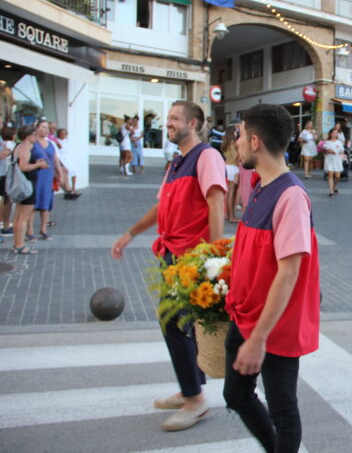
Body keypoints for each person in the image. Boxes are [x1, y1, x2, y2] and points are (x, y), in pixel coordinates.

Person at [111, 100, 226, 432]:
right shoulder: (177, 162)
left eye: (175, 118)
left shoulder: (207, 156)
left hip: (191, 258)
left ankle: (194, 401)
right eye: (169, 118)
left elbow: (216, 201)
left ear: (193, 123)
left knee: (173, 324)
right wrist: (130, 233)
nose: (169, 123)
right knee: (182, 326)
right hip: (171, 255)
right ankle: (191, 387)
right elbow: (161, 207)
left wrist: (214, 256)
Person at [224, 104, 320, 451]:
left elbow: (289, 272)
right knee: (235, 395)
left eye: (237, 136)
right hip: (245, 315)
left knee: (283, 408)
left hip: (273, 326)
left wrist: (258, 339)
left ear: (254, 141)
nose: (234, 144)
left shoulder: (291, 196)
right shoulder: (260, 185)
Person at [10, 125, 48, 255]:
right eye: (33, 135)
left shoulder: (18, 146)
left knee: (19, 215)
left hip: (21, 184)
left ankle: (17, 244)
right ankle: (20, 245)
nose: (35, 137)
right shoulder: (25, 147)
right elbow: (24, 166)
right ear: (28, 137)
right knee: (23, 216)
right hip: (26, 184)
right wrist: (39, 164)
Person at [29, 120, 57, 241]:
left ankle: (43, 229)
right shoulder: (32, 142)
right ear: (36, 128)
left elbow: (55, 159)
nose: (45, 130)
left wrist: (59, 173)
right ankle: (29, 230)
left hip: (48, 176)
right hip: (36, 176)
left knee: (46, 203)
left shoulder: (50, 143)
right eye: (43, 127)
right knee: (33, 204)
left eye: (47, 128)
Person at [0, 126, 17, 235]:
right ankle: (5, 225)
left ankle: (5, 225)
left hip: (4, 174)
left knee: (5, 199)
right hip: (6, 174)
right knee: (7, 200)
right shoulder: (12, 145)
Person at [55, 128, 80, 199]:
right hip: (61, 159)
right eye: (63, 133)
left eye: (66, 133)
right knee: (65, 174)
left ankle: (73, 188)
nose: (65, 135)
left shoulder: (66, 141)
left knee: (73, 173)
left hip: (68, 158)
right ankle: (68, 191)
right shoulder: (57, 141)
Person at [222, 126, 240, 223]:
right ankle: (232, 216)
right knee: (232, 193)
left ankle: (227, 214)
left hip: (227, 167)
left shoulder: (225, 144)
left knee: (228, 193)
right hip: (233, 168)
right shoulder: (234, 144)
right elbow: (236, 158)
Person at [323, 129, 344, 197]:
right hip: (329, 159)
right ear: (331, 134)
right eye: (333, 133)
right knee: (330, 174)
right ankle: (331, 191)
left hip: (337, 160)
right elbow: (325, 150)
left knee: (337, 176)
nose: (335, 134)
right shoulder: (327, 142)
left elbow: (342, 151)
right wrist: (329, 151)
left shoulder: (339, 142)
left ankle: (334, 186)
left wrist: (341, 153)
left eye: (336, 133)